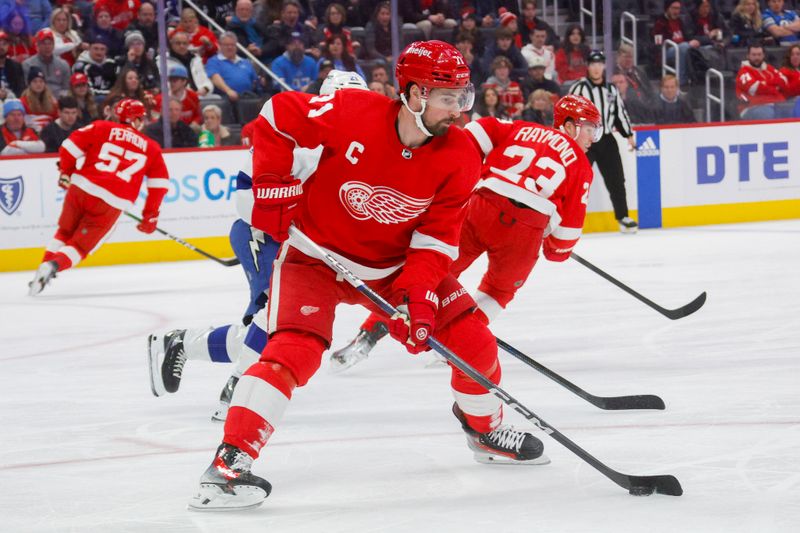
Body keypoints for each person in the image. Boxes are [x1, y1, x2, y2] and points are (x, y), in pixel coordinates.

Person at [188, 40, 548, 512]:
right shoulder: (351, 110)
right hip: (313, 258)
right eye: (448, 98)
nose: (460, 111)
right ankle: (229, 465)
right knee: (292, 352)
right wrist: (273, 184)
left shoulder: (460, 154)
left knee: (473, 340)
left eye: (464, 97)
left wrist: (416, 298)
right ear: (415, 94)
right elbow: (276, 114)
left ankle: (483, 429)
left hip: (394, 268)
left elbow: (437, 239)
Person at [147, 70, 369, 422]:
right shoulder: (295, 132)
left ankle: (182, 343)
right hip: (262, 234)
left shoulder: (358, 145)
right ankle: (238, 388)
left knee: (270, 324)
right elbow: (245, 197)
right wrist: (284, 225)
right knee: (275, 320)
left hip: (300, 246)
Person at [330, 94, 601, 371]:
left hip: (480, 206)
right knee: (498, 291)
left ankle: (367, 338)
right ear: (569, 126)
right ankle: (456, 344)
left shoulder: (520, 128)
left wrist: (468, 171)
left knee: (432, 275)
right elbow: (564, 240)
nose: (593, 138)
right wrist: (551, 244)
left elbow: (474, 133)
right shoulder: (579, 163)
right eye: (590, 129)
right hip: (526, 228)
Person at [28, 99, 168, 295]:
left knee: (64, 232)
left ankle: (42, 271)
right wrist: (150, 215)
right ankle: (52, 267)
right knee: (79, 247)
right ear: (136, 120)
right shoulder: (151, 147)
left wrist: (66, 172)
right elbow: (159, 184)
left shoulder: (101, 127)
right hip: (110, 203)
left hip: (80, 188)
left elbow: (68, 147)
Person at [569, 50, 638, 233]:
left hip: (606, 139)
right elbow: (568, 112)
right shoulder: (579, 88)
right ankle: (568, 218)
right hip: (584, 140)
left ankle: (623, 216)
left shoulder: (611, 89)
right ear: (588, 67)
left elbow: (619, 114)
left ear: (604, 66)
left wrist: (629, 135)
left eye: (599, 64)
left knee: (616, 179)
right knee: (577, 180)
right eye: (593, 64)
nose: (596, 68)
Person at [651, 0, 702, 86]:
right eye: (674, 8)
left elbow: (687, 36)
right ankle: (681, 81)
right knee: (683, 47)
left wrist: (694, 41)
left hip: (683, 47)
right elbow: (658, 44)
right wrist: (688, 44)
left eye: (678, 9)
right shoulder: (660, 22)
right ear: (667, 8)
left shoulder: (680, 21)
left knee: (705, 48)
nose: (676, 11)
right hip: (666, 51)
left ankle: (700, 79)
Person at [736, 43, 789, 119]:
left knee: (794, 106)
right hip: (753, 107)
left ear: (763, 55)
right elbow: (754, 88)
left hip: (776, 104)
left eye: (759, 54)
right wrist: (775, 87)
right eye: (753, 55)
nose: (757, 57)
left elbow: (784, 81)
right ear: (748, 56)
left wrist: (764, 83)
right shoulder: (743, 72)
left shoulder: (769, 68)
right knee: (767, 113)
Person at [206, 31, 259, 102]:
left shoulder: (245, 62)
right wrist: (228, 91)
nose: (230, 47)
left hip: (247, 99)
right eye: (226, 45)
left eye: (232, 45)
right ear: (220, 45)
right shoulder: (213, 61)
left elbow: (254, 80)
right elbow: (215, 77)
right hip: (225, 99)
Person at [158, 30, 214, 96]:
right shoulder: (162, 60)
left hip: (200, 95)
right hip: (175, 96)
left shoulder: (196, 59)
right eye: (178, 43)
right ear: (171, 44)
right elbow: (164, 83)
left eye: (185, 43)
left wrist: (205, 88)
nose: (182, 46)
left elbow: (206, 80)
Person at [23, 28, 70, 97]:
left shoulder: (63, 64)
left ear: (53, 45)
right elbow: (28, 87)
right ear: (37, 45)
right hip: (37, 97)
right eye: (43, 43)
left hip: (59, 100)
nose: (47, 47)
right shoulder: (28, 64)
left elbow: (66, 88)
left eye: (50, 43)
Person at [20, 66, 59, 132]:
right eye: (35, 81)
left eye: (41, 81)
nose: (38, 84)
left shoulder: (52, 102)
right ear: (29, 84)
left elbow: (57, 120)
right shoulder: (22, 102)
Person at [0, 30, 25, 100]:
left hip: (13, 103)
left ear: (8, 46)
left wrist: (10, 96)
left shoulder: (16, 66)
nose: (1, 47)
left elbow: (21, 88)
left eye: (4, 44)